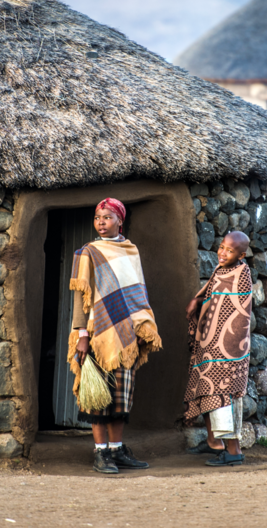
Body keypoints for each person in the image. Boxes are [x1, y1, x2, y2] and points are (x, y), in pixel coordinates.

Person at [67, 198, 162, 474]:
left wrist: (144, 328)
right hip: (98, 335)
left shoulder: (131, 251)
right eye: (97, 218)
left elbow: (137, 294)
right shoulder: (88, 252)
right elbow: (80, 297)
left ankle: (117, 450)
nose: (101, 223)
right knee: (98, 396)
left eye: (107, 217)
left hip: (126, 336)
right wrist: (81, 334)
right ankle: (100, 454)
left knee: (121, 399)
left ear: (120, 220)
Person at [183, 231, 253, 466]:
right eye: (222, 247)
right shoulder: (221, 270)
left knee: (222, 394)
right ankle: (215, 443)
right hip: (210, 343)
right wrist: (198, 300)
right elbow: (212, 295)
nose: (222, 253)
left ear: (241, 255)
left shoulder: (242, 274)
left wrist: (224, 349)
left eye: (230, 250)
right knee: (206, 388)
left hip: (228, 349)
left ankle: (233, 452)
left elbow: (236, 311)